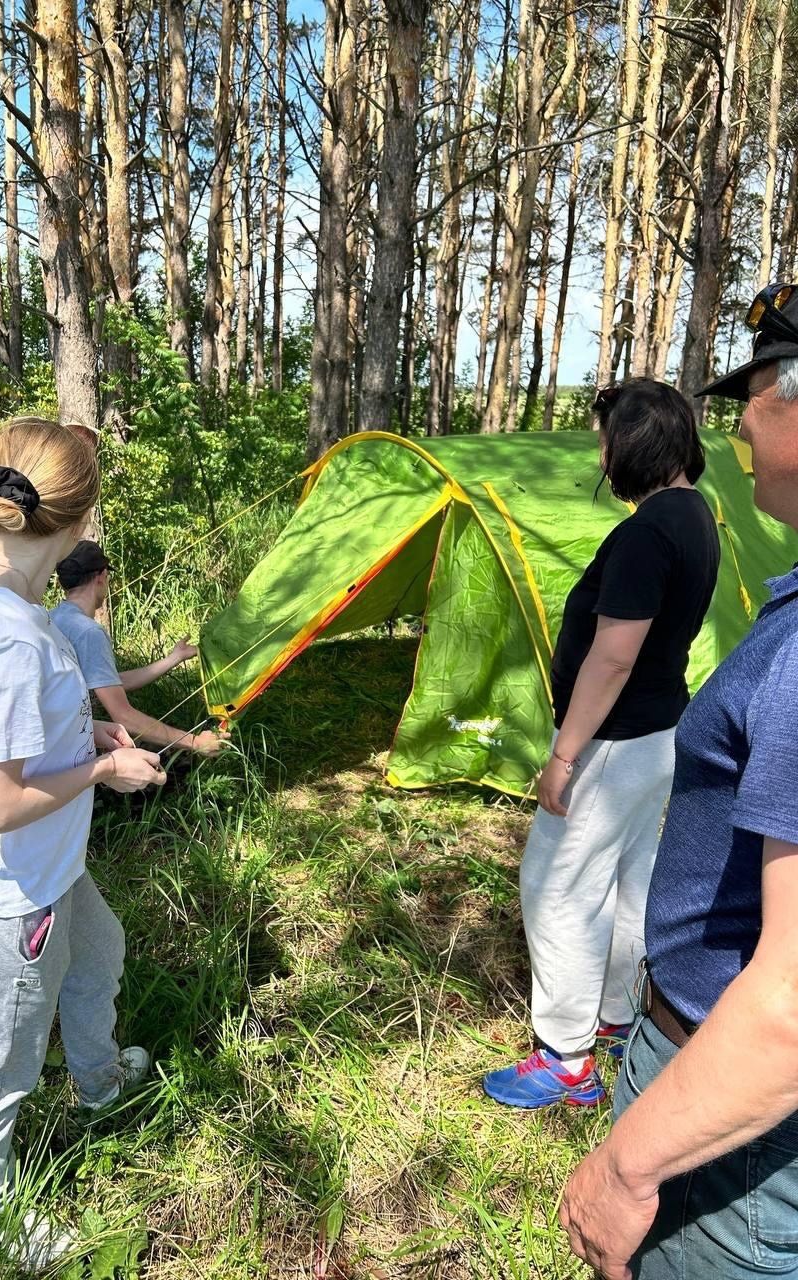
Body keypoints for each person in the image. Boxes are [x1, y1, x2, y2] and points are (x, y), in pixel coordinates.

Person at [560, 284, 798, 1280]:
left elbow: (790, 999)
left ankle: (560, 1044)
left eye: (757, 394)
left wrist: (626, 1163)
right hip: (720, 1087)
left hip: (727, 1132)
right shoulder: (708, 523)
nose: (739, 419)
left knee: (562, 890)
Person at [0, 418, 166, 1269]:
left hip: (45, 870)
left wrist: (84, 732)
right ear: (82, 521)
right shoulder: (12, 638)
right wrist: (101, 774)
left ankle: (97, 1084)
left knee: (100, 954)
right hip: (1, 888)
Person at [482, 379, 719, 1110]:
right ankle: (617, 1017)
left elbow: (612, 656)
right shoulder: (695, 516)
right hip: (657, 732)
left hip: (613, 739)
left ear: (635, 444)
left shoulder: (650, 532)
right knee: (625, 879)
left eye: (605, 439)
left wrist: (562, 757)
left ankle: (565, 1057)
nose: (601, 453)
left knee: (558, 884)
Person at [50, 540, 225, 757]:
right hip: (66, 754)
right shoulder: (88, 632)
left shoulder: (55, 618)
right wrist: (195, 742)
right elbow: (123, 716)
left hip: (50, 745)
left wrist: (173, 658)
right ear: (102, 576)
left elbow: (110, 683)